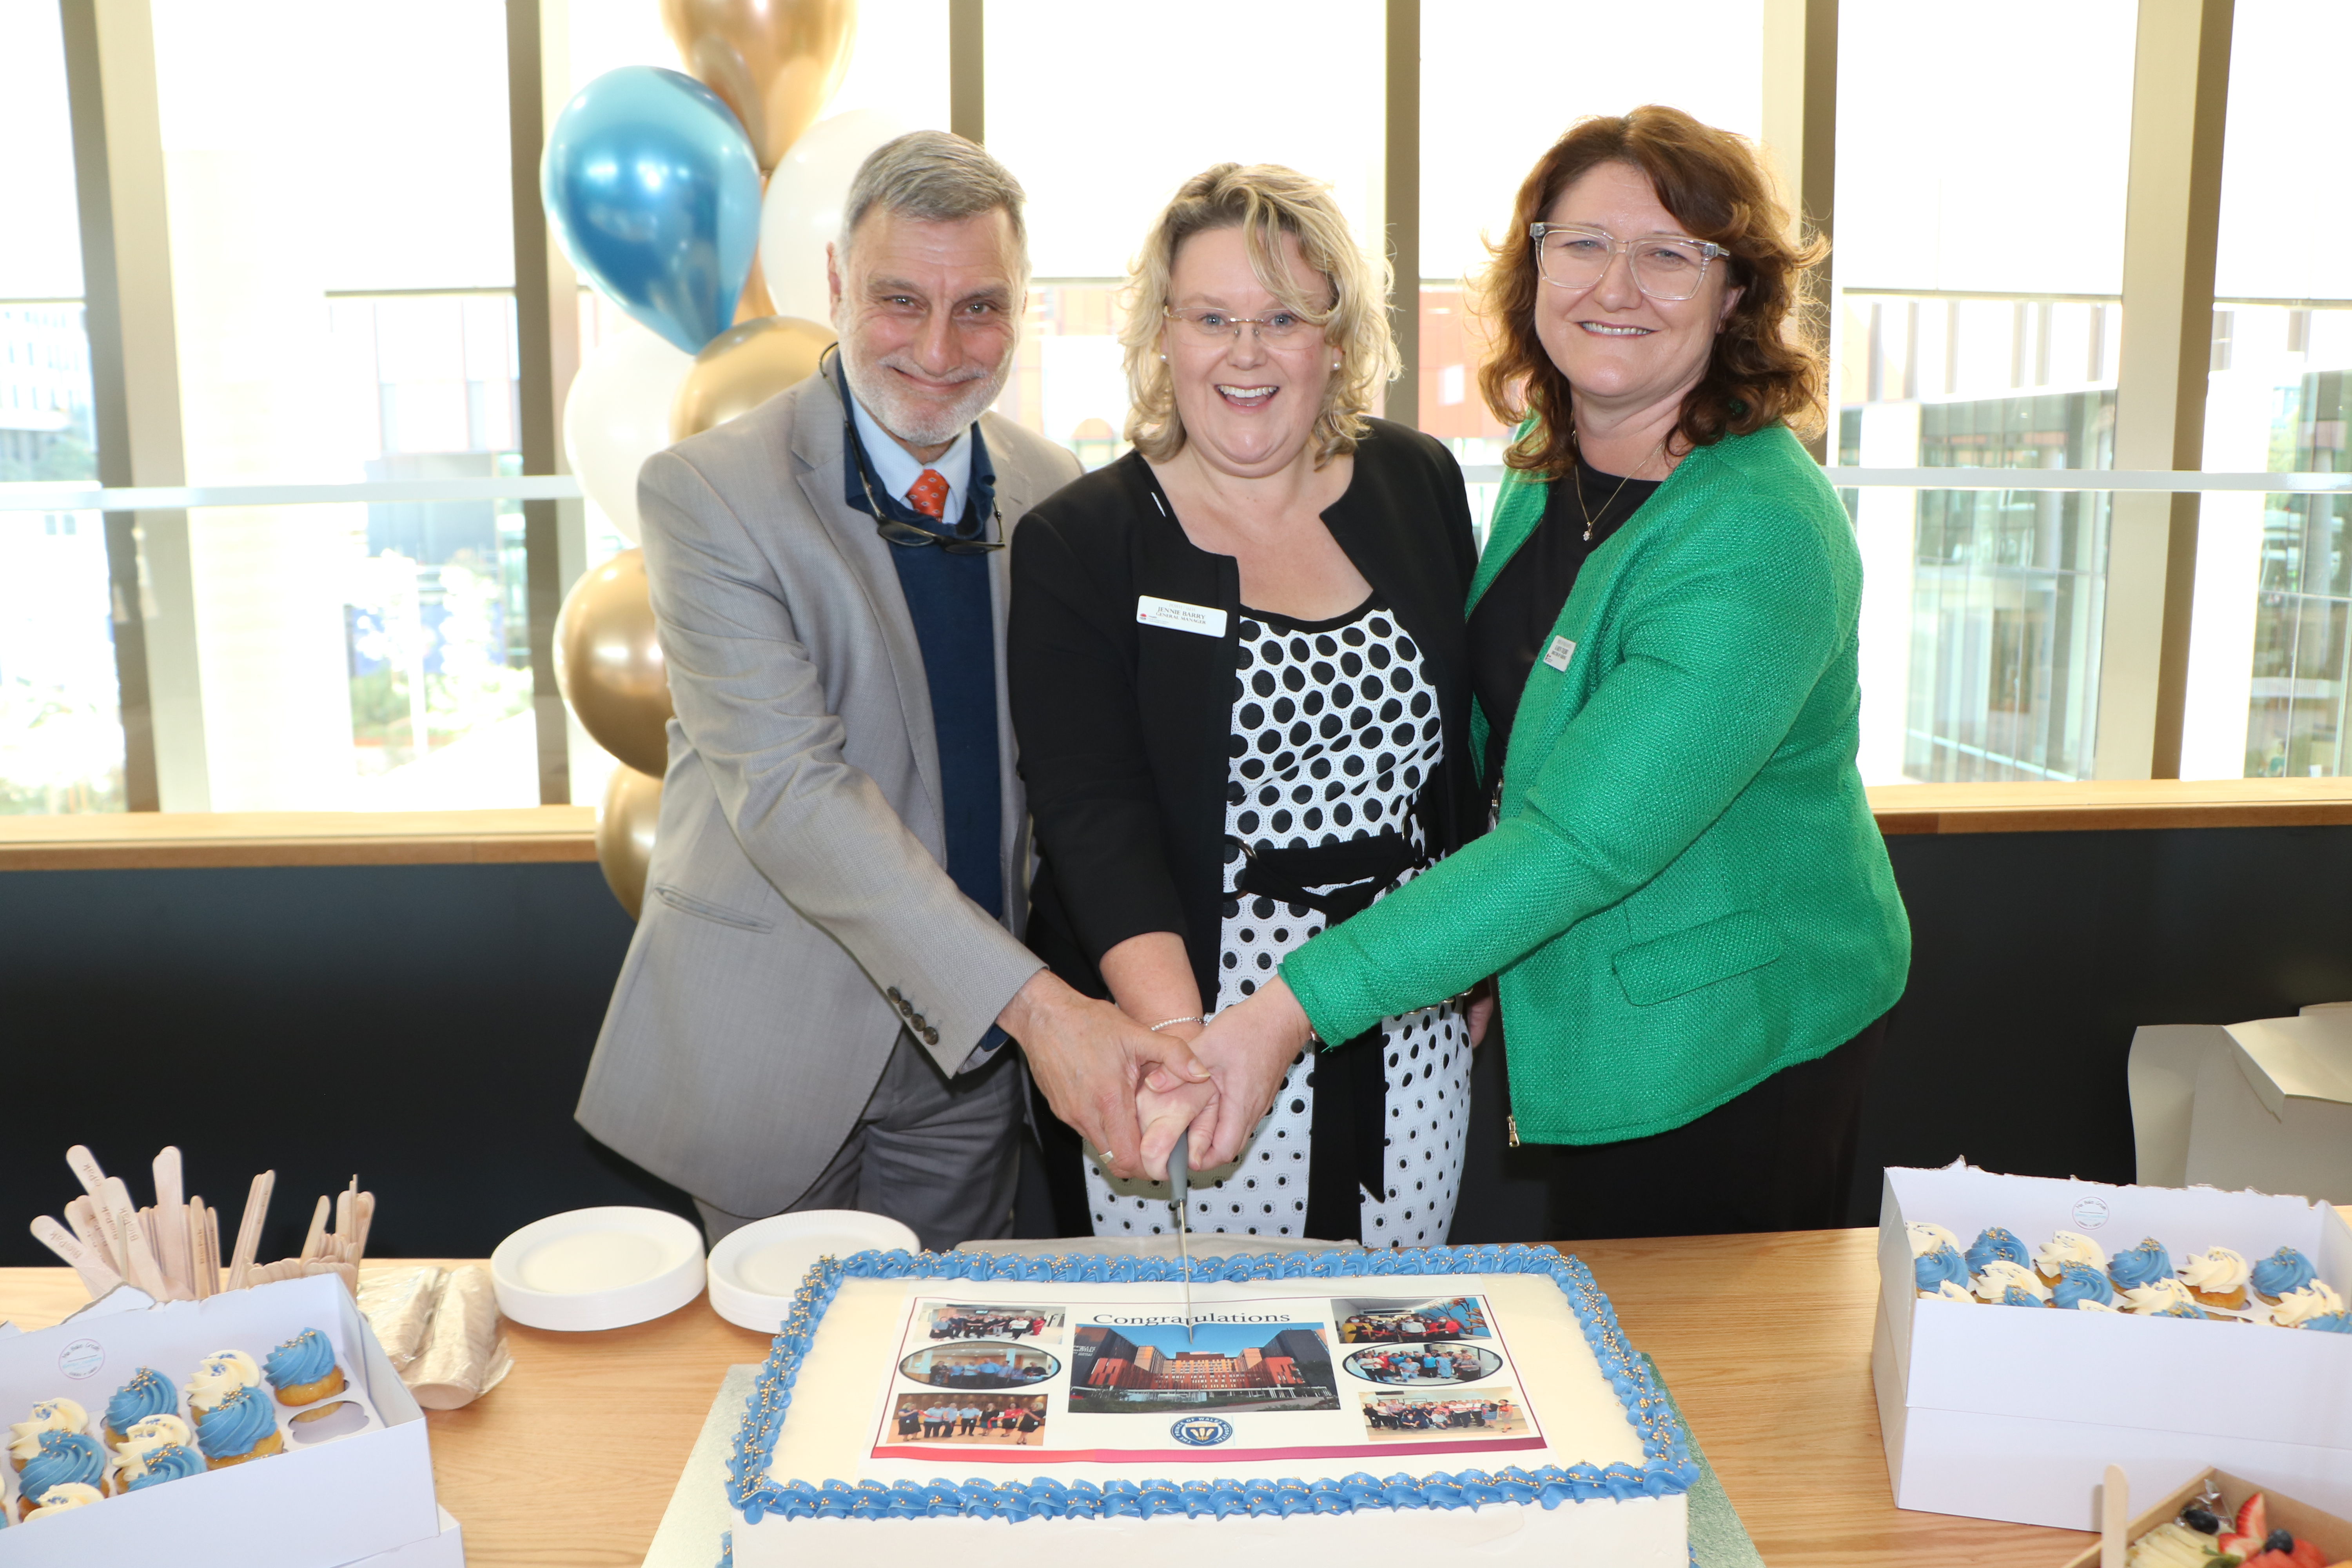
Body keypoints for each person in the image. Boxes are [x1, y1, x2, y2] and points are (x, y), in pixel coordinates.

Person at [1180, 107, 1911, 1240]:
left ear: (1735, 296)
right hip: (1580, 991)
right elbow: (1500, 728)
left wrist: (1291, 1009)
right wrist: (1468, 950)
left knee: (1691, 1383)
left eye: (1670, 253)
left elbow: (1581, 836)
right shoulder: (1554, 458)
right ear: (1533, 269)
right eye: (1581, 245)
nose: (1615, 285)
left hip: (1730, 1030)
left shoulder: (1764, 535)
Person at [576, 131, 1214, 1252]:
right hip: (778, 1044)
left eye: (980, 307)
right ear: (834, 285)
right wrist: (1040, 1007)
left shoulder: (1050, 487)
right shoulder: (707, 494)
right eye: (898, 300)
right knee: (779, 1393)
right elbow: (789, 790)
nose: (938, 346)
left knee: (949, 1384)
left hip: (967, 1073)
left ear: (1024, 310)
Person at [1009, 163, 1485, 1247]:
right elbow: (1093, 816)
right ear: (1163, 334)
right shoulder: (1083, 542)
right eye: (1213, 317)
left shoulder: (1417, 482)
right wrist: (1187, 1048)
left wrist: (1476, 957)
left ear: (1337, 336)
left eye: (1283, 317)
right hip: (1184, 1035)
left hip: (1398, 1019)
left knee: (1384, 1353)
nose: (1247, 351)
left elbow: (1464, 742)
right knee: (1191, 1373)